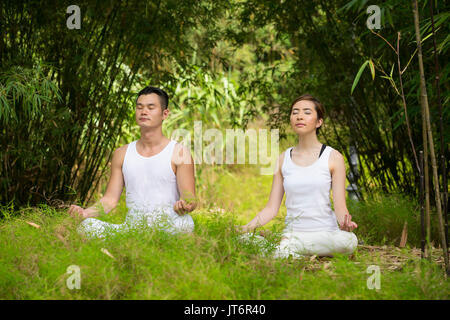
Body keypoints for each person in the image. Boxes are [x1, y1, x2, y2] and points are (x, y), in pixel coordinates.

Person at [239, 94, 358, 258]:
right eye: (295, 112)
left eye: (307, 112)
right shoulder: (283, 159)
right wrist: (246, 228)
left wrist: (346, 223)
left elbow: (340, 206)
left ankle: (289, 251)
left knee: (349, 240)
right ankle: (291, 250)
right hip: (293, 233)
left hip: (325, 234)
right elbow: (271, 208)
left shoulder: (333, 157)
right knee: (243, 240)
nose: (299, 116)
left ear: (319, 122)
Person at [68, 86, 197, 238]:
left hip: (168, 226)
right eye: (139, 107)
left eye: (151, 107)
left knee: (185, 223)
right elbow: (109, 200)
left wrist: (184, 205)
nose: (144, 112)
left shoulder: (179, 152)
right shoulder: (121, 154)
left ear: (165, 114)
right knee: (88, 226)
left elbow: (190, 198)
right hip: (132, 230)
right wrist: (85, 213)